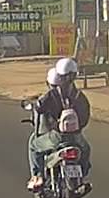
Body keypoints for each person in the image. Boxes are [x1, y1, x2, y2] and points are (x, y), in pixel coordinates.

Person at [27, 57, 92, 190]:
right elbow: (85, 117)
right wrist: (77, 128)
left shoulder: (52, 95)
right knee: (86, 150)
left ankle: (37, 176)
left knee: (33, 146)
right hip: (76, 137)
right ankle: (82, 175)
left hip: (57, 137)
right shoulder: (79, 96)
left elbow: (39, 108)